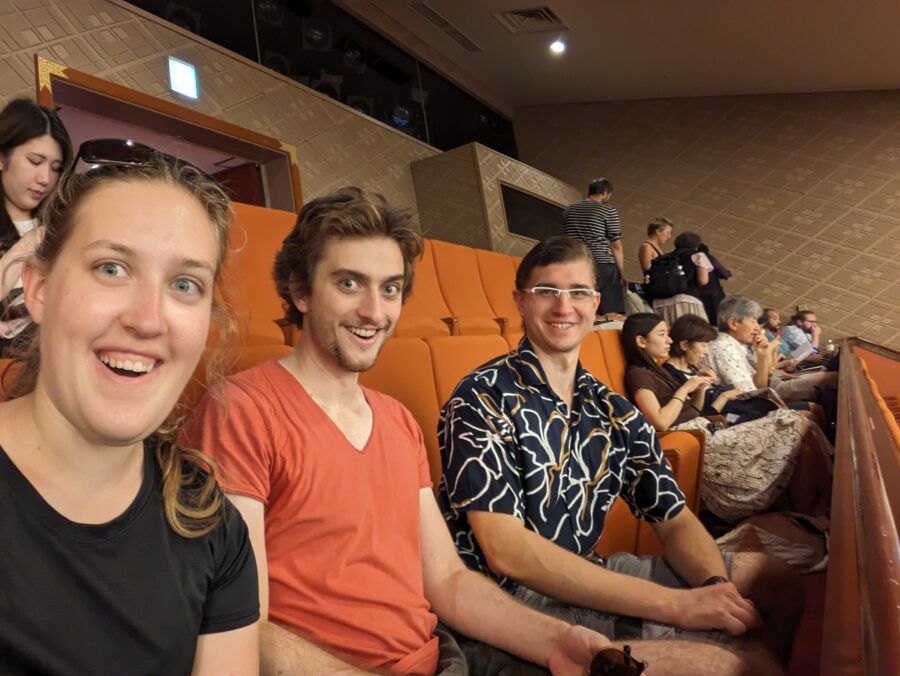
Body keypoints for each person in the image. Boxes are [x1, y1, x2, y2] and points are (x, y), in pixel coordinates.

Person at [187, 188, 614, 675]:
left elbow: (448, 581)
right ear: (300, 291)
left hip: (441, 656)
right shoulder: (241, 409)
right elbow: (244, 625)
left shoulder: (397, 419)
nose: (375, 312)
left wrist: (554, 641)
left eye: (390, 289)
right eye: (350, 283)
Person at [439, 236, 802, 675]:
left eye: (577, 292)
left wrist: (716, 589)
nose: (563, 306)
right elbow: (506, 551)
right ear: (521, 302)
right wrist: (678, 606)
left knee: (776, 580)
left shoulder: (610, 409)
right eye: (547, 291)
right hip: (508, 599)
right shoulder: (481, 396)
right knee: (734, 666)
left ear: (595, 303)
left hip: (584, 570)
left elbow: (675, 519)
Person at [0, 153, 259, 673]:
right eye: (111, 268)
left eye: (184, 284)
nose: (148, 320)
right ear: (39, 288)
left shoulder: (210, 523)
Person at [622, 313, 831, 522]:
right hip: (700, 438)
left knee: (803, 440)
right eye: (662, 334)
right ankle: (822, 506)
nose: (669, 340)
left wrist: (700, 387)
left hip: (705, 427)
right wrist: (686, 387)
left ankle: (818, 508)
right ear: (641, 341)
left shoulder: (658, 371)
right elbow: (660, 422)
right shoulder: (638, 374)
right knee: (798, 421)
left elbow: (693, 410)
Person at [0, 98, 72, 355]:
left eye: (56, 168)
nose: (45, 179)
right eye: (34, 161)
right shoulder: (41, 234)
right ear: (2, 158)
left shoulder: (61, 226)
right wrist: (33, 239)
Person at [706, 296, 837, 403]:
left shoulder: (737, 345)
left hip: (759, 396)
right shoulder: (723, 347)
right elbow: (750, 395)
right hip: (741, 408)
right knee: (827, 384)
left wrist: (763, 355)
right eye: (753, 321)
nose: (757, 328)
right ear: (733, 323)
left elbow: (759, 386)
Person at [563, 178, 625, 320]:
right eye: (609, 195)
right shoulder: (608, 210)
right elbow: (616, 244)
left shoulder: (568, 210)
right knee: (610, 313)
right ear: (604, 193)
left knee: (582, 302)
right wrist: (621, 272)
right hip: (602, 262)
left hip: (576, 261)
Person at [649, 231, 710, 324]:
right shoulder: (698, 255)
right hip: (686, 301)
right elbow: (703, 280)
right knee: (694, 331)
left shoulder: (664, 258)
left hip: (660, 303)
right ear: (696, 245)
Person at [696, 242, 731, 325]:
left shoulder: (686, 261)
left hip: (697, 296)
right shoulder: (710, 259)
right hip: (714, 294)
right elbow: (724, 273)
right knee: (720, 318)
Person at [637, 217, 673, 282]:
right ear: (658, 231)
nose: (669, 236)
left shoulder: (656, 247)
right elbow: (648, 272)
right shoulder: (647, 247)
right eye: (667, 233)